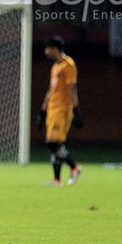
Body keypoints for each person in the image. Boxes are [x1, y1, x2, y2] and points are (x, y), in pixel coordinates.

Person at [37, 36, 82, 186]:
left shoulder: (68, 65)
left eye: (47, 48)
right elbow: (51, 90)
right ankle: (57, 179)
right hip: (52, 109)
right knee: (57, 145)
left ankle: (74, 167)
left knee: (52, 143)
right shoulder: (55, 67)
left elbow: (72, 89)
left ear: (55, 49)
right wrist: (43, 111)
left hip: (62, 109)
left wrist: (76, 109)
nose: (45, 52)